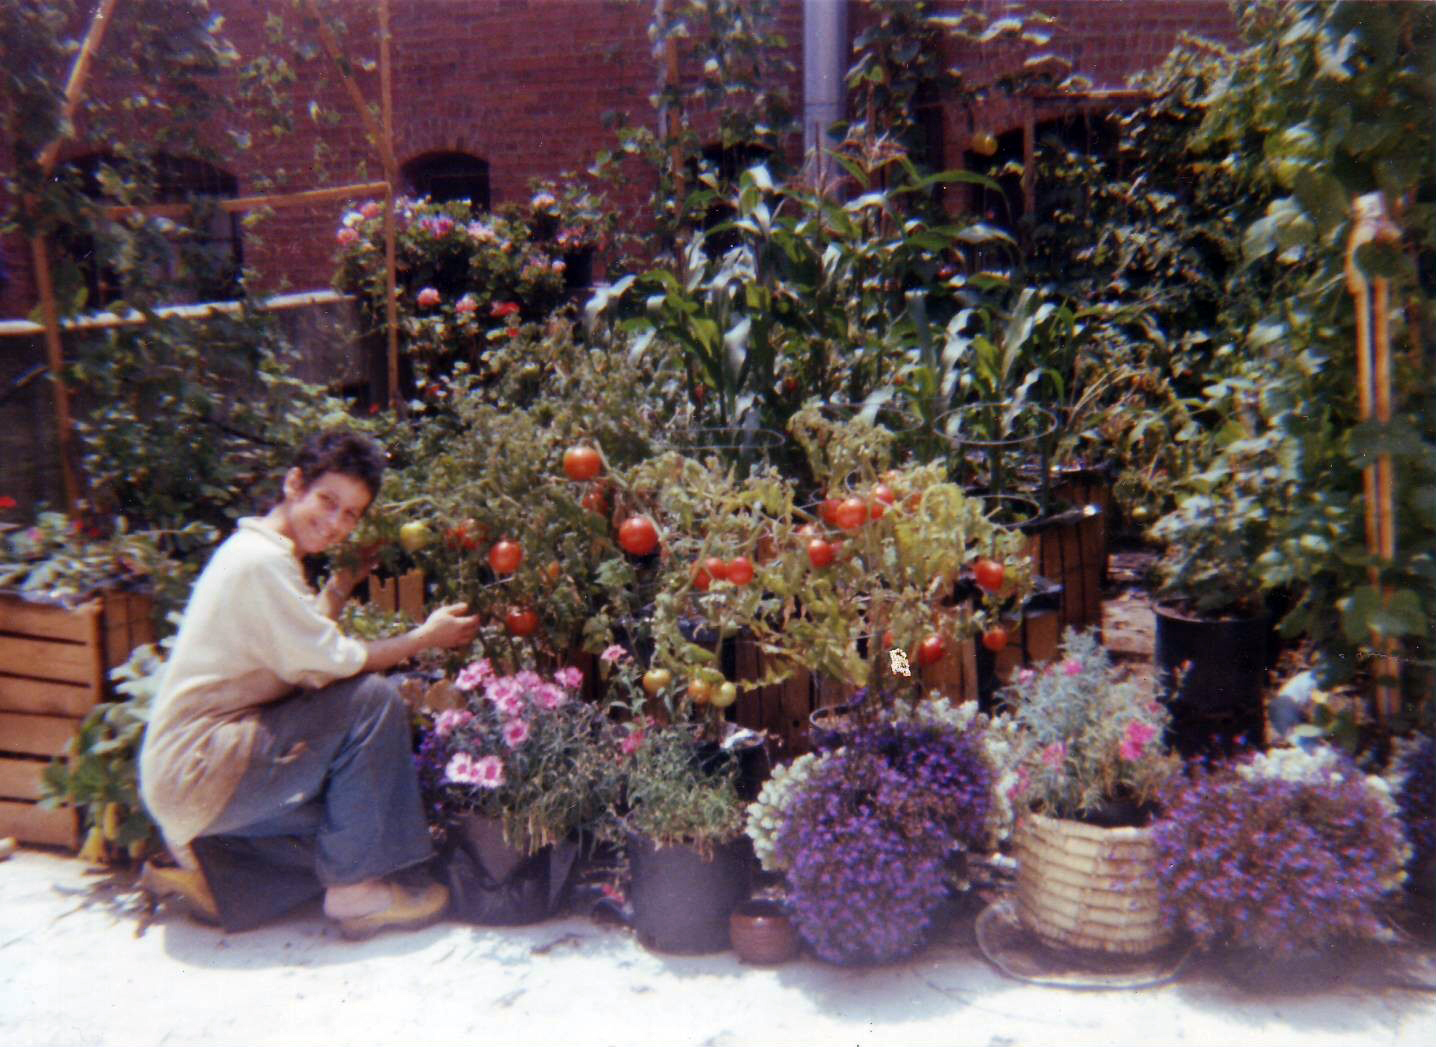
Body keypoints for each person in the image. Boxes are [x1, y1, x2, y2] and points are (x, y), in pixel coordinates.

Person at [137, 428, 479, 938]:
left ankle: (212, 876)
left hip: (196, 779)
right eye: (328, 501)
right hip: (202, 769)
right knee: (372, 700)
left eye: (351, 514)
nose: (337, 522)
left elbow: (298, 650)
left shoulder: (258, 551)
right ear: (294, 483)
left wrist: (341, 584)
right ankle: (356, 896)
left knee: (351, 820)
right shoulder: (261, 563)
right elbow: (332, 664)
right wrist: (425, 637)